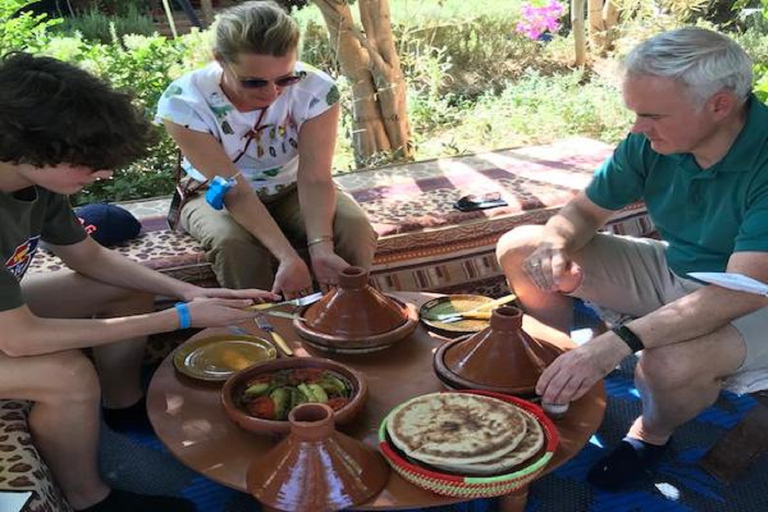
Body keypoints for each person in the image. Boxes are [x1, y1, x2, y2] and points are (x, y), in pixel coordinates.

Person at [0, 52, 280, 512]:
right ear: (25, 144)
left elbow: (86, 255)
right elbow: (20, 338)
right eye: (90, 164)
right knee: (66, 373)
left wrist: (187, 291)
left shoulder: (35, 181)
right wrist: (180, 317)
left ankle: (120, 408)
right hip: (11, 331)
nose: (104, 174)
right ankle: (90, 498)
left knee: (128, 286)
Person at [496, 27, 768, 490]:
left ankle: (651, 433)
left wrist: (616, 342)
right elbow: (583, 211)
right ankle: (557, 371)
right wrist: (557, 245)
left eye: (652, 115)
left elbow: (737, 293)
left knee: (666, 364)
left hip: (752, 299)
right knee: (524, 248)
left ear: (720, 105)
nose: (638, 127)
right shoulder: (654, 141)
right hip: (680, 271)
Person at [156, 0, 377, 298]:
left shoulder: (315, 89)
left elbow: (314, 177)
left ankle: (351, 311)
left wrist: (320, 247)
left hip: (291, 187)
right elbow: (234, 189)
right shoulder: (184, 102)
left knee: (354, 227)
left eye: (285, 78)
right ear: (220, 60)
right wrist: (287, 256)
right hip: (215, 194)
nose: (272, 92)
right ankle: (265, 328)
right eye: (254, 82)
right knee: (233, 244)